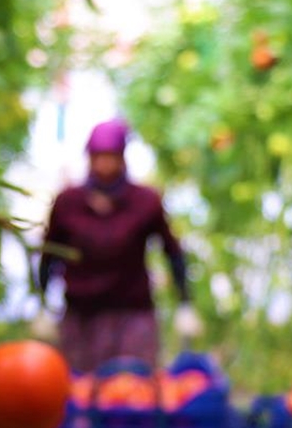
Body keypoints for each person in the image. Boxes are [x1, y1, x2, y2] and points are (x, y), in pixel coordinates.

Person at [35, 118, 202, 374]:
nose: (103, 164)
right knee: (80, 393)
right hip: (81, 318)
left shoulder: (145, 201)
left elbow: (172, 251)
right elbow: (50, 254)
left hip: (132, 316)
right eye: (98, 156)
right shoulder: (68, 202)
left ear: (122, 158)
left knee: (131, 391)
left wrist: (184, 303)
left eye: (110, 156)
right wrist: (42, 303)